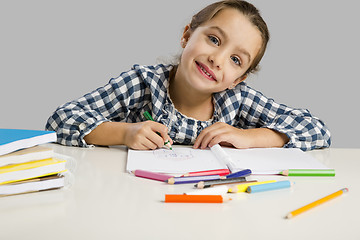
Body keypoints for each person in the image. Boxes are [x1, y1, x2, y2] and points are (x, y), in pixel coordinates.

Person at [45, 0, 331, 151]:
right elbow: (60, 120)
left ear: (238, 79)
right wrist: (123, 132)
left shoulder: (237, 99)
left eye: (235, 60)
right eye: (214, 40)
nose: (216, 60)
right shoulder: (142, 83)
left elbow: (317, 129)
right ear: (187, 34)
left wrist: (250, 137)